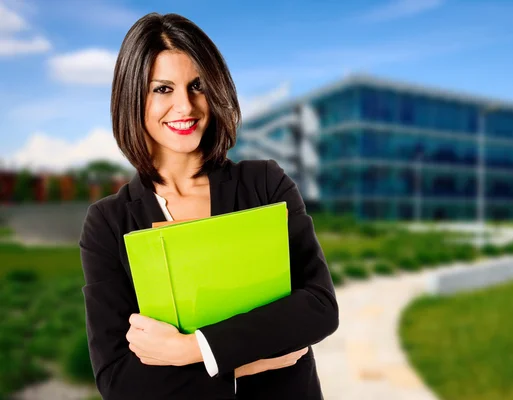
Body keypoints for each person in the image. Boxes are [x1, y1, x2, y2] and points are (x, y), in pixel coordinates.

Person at [79, 12, 338, 400]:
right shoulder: (109, 223)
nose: (185, 106)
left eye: (197, 85)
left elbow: (318, 308)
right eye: (162, 89)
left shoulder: (265, 184)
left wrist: (192, 349)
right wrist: (258, 358)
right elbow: (119, 382)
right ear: (132, 97)